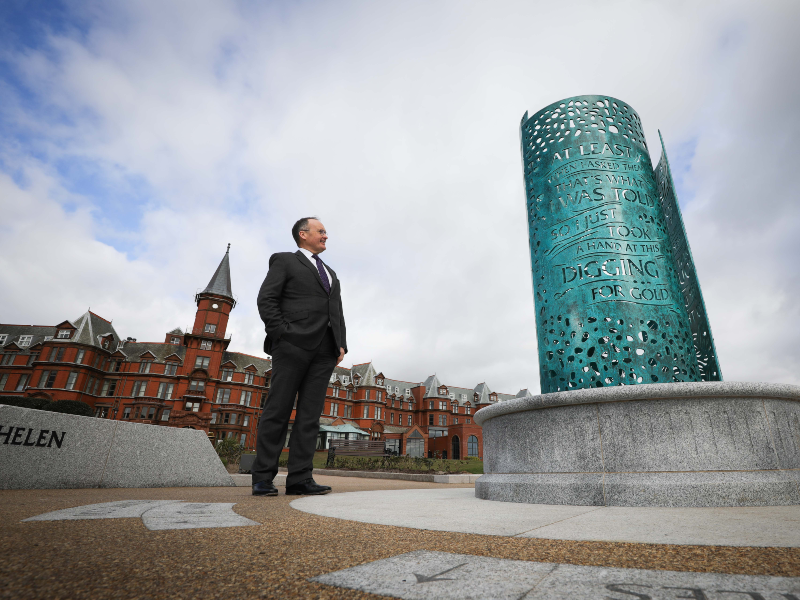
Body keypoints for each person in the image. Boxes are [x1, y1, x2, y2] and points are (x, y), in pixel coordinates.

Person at [251, 217, 347, 496]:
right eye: (321, 231)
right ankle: (262, 478)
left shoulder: (331, 273)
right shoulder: (284, 260)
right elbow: (266, 299)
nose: (326, 236)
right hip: (292, 344)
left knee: (310, 416)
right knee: (278, 410)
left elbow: (337, 310)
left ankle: (300, 479)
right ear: (303, 234)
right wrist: (282, 333)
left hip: (325, 350)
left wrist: (341, 344)